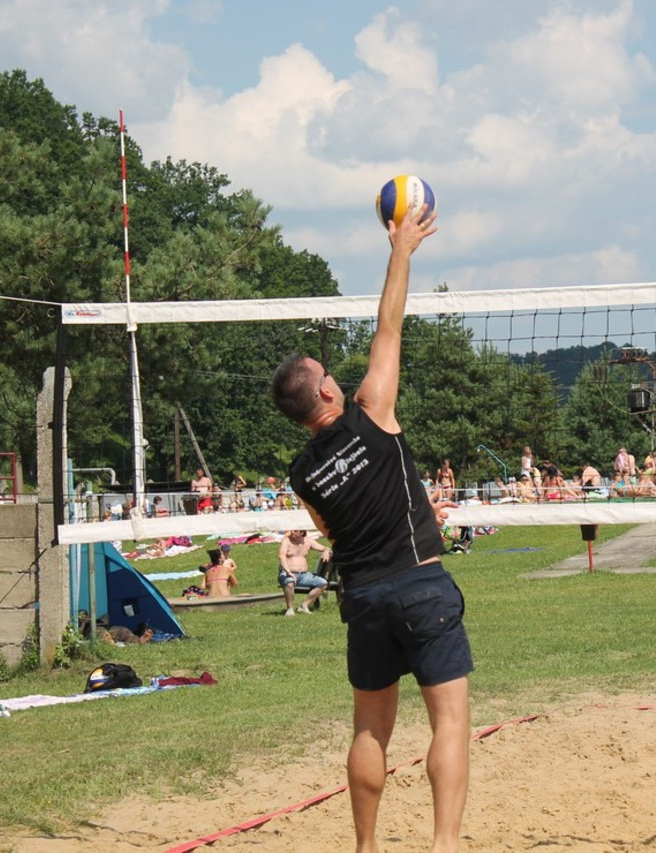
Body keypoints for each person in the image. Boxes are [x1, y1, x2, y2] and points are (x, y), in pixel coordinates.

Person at [272, 205, 472, 853]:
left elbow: (338, 531)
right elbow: (390, 324)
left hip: (363, 597)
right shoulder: (370, 410)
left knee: (369, 730)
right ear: (327, 393)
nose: (336, 376)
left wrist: (413, 509)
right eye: (328, 373)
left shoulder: (302, 473)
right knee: (450, 723)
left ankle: (366, 847)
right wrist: (401, 249)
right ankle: (444, 845)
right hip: (420, 586)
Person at [278, 529, 332, 616]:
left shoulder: (308, 541)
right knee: (289, 583)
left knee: (323, 583)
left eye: (295, 530)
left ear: (302, 532)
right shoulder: (286, 540)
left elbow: (325, 547)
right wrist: (288, 571)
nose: (292, 532)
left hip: (304, 575)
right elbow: (281, 556)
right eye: (292, 530)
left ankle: (304, 605)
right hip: (287, 573)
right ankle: (290, 609)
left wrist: (326, 551)